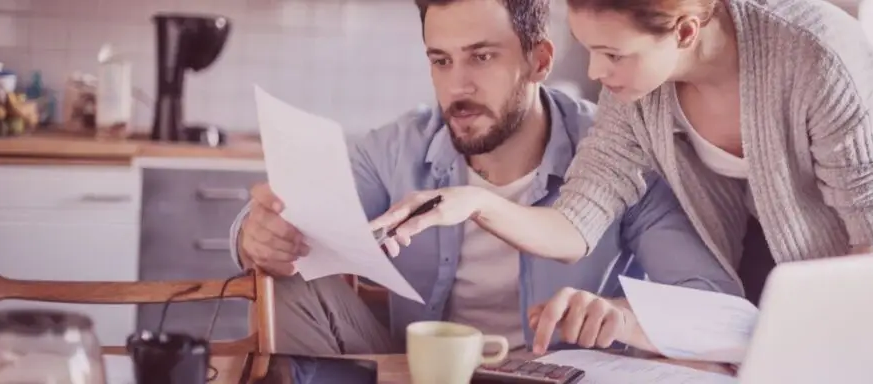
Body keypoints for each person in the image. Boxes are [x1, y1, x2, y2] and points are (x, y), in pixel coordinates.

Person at [371, 0, 873, 382]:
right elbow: (576, 221)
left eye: (611, 54)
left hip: (868, 256)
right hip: (764, 257)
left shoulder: (816, 54)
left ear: (685, 29)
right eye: (589, 50)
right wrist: (479, 204)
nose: (596, 73)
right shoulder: (636, 92)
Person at [230, 0, 739, 358]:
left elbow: (712, 304)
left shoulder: (621, 153)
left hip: (560, 375)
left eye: (482, 56)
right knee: (286, 279)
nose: (458, 86)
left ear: (538, 61)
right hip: (416, 372)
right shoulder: (393, 148)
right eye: (441, 61)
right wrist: (257, 237)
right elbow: (287, 227)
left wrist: (619, 315)